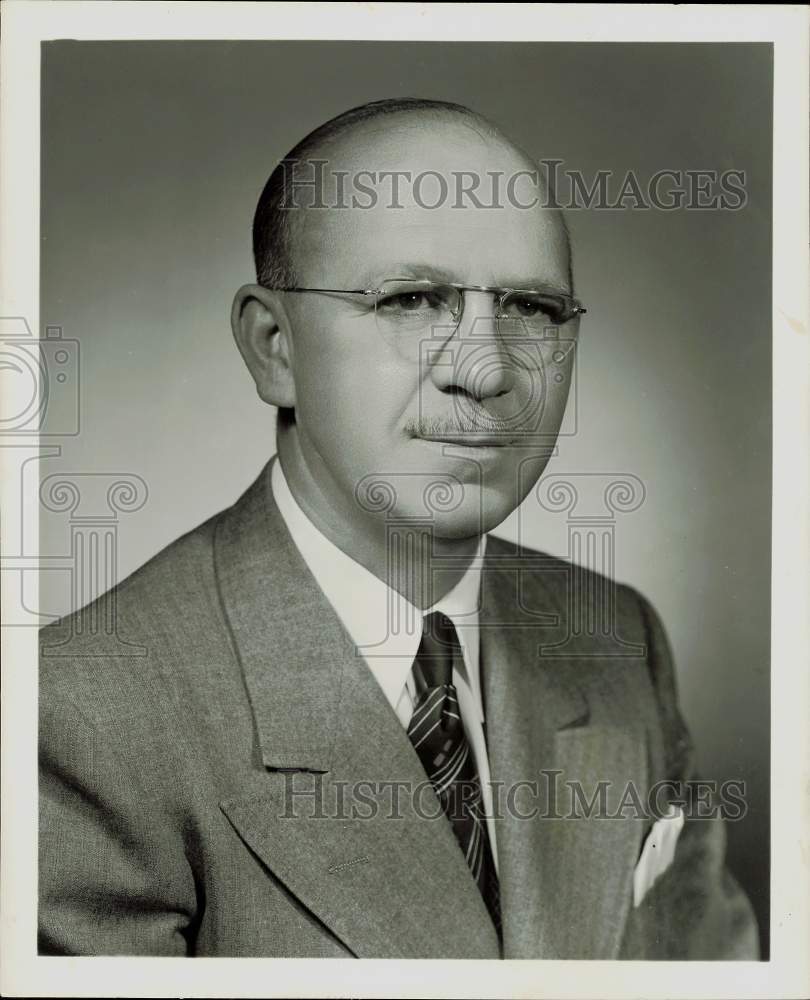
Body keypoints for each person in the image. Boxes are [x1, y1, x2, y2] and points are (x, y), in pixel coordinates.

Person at [38, 98, 759, 959]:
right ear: (274, 346)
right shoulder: (80, 712)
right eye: (413, 299)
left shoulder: (615, 638)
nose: (487, 370)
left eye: (533, 309)